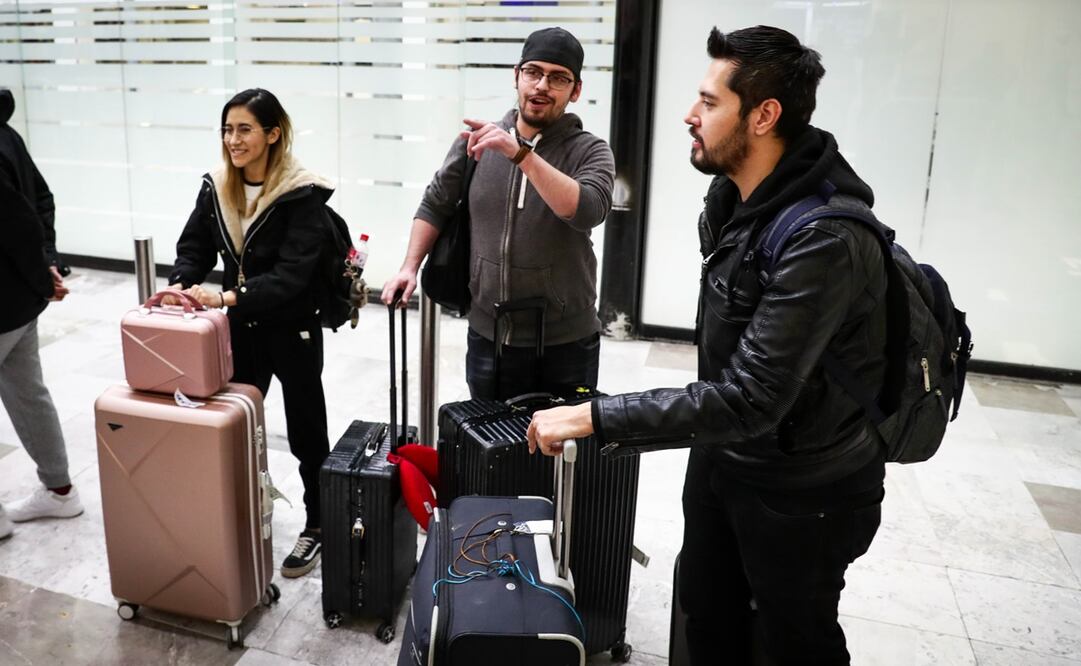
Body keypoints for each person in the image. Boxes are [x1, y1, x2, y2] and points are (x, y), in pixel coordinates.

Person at [527, 26, 890, 665]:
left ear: (764, 116)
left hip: (803, 491)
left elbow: (752, 396)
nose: (690, 116)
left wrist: (594, 416)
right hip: (726, 460)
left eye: (709, 102)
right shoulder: (732, 199)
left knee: (792, 639)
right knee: (706, 612)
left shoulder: (824, 239)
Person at [381, 27, 615, 399]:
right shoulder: (479, 142)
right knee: (489, 449)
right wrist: (409, 267)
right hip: (488, 334)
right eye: (533, 72)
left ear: (575, 91)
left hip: (565, 341)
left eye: (558, 78)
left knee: (560, 454)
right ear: (516, 76)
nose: (541, 86)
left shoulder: (591, 151)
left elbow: (587, 210)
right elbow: (435, 203)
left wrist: (521, 155)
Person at [168, 88, 332, 578]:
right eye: (227, 129)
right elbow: (194, 245)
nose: (233, 139)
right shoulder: (217, 187)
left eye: (244, 129)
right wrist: (181, 282)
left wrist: (225, 298)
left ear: (272, 134)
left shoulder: (302, 194)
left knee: (306, 431)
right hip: (241, 328)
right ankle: (239, 516)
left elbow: (291, 276)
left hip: (293, 326)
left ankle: (318, 523)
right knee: (237, 426)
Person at [0, 88, 83, 539]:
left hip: (10, 299)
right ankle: (60, 489)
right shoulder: (6, 133)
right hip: (19, 304)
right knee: (27, 393)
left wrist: (43, 274)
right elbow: (41, 200)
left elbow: (18, 224)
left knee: (27, 393)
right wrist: (47, 265)